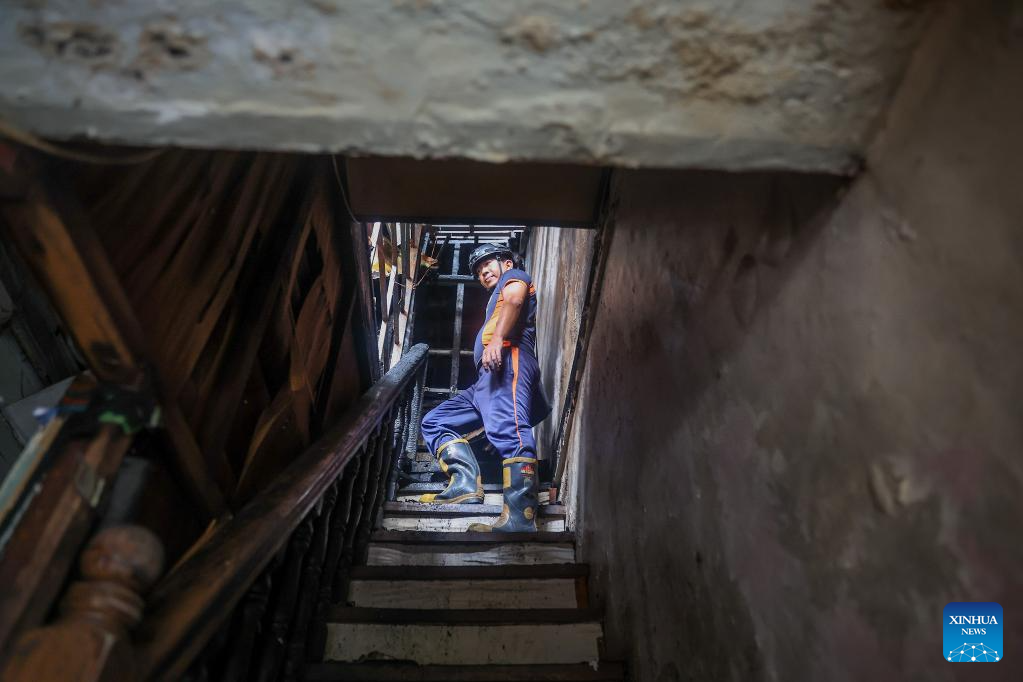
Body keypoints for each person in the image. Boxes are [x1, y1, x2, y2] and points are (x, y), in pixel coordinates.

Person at [419, 243, 551, 532]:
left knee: (508, 430)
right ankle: (464, 486)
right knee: (434, 422)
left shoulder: (513, 276)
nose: (482, 272)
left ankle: (520, 519)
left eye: (486, 264)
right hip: (486, 380)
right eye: (478, 272)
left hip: (507, 359)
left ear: (505, 262)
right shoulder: (495, 297)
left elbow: (515, 301)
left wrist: (495, 340)